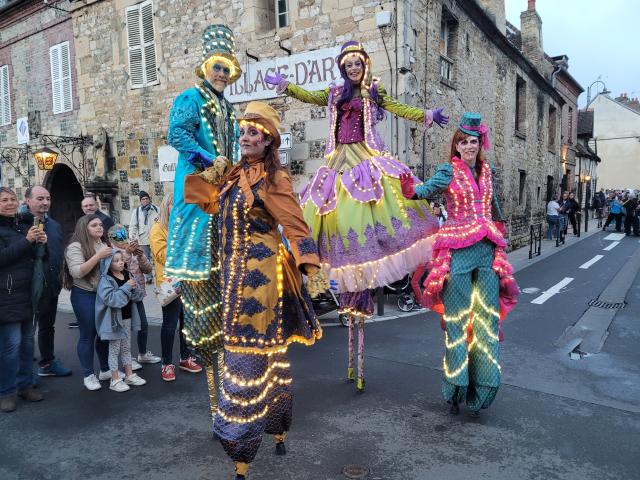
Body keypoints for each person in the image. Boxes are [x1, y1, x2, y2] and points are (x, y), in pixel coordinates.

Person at [265, 40, 445, 391]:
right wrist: (287, 87)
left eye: (357, 63)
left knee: (370, 209)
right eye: (347, 63)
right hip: (336, 163)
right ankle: (344, 294)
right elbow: (310, 97)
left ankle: (361, 296)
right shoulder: (333, 95)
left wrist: (424, 114)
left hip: (365, 159)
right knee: (331, 214)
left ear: (364, 65)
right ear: (342, 67)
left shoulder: (373, 93)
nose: (353, 68)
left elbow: (397, 107)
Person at [211, 101, 327, 480]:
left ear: (268, 140)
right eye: (243, 132)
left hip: (260, 286)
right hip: (231, 278)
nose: (245, 138)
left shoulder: (275, 179)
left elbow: (294, 223)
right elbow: (203, 208)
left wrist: (310, 265)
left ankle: (240, 444)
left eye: (253, 133)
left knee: (247, 363)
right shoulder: (230, 176)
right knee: (269, 362)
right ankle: (272, 427)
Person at [400, 112, 519, 417]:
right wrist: (411, 191)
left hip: (488, 250)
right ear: (456, 146)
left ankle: (484, 387)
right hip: (458, 250)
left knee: (487, 322)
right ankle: (455, 387)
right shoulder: (448, 171)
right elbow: (425, 191)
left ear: (481, 144)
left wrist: (500, 223)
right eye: (463, 142)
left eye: (474, 141)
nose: (469, 146)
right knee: (457, 322)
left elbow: (493, 204)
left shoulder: (487, 171)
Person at [165, 24, 241, 417]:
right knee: (202, 289)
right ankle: (215, 400)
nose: (222, 74)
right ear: (205, 66)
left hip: (226, 196)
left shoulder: (229, 109)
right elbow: (176, 134)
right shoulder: (190, 98)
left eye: (227, 68)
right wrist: (209, 161)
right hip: (199, 193)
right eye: (217, 67)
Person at [0, 187, 45, 412]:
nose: (10, 203)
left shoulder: (22, 224)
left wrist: (40, 243)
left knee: (27, 344)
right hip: (6, 296)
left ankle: (25, 385)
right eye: (4, 200)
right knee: (11, 346)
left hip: (28, 294)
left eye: (12, 199)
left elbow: (35, 257)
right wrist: (27, 241)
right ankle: (5, 392)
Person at [149, 193, 202, 382]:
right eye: (174, 204)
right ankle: (166, 363)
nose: (177, 208)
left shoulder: (183, 227)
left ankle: (185, 358)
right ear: (166, 206)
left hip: (186, 282)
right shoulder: (158, 228)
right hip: (169, 284)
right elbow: (162, 255)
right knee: (170, 325)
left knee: (186, 324)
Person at [23, 186, 72, 377]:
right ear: (28, 200)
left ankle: (47, 362)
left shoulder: (54, 225)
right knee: (25, 331)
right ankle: (24, 373)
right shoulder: (19, 223)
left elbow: (57, 254)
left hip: (51, 285)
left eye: (48, 198)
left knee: (47, 326)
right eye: (40, 198)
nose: (45, 202)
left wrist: (61, 278)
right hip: (26, 288)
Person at [62, 214, 112, 391]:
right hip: (84, 294)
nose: (100, 228)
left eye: (100, 225)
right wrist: (98, 256)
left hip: (102, 294)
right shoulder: (75, 247)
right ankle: (88, 374)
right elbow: (77, 272)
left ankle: (105, 370)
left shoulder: (102, 244)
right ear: (85, 228)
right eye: (94, 225)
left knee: (104, 333)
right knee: (88, 334)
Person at [107, 224, 160, 368]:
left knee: (143, 325)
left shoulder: (131, 250)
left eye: (124, 235)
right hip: (123, 295)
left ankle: (142, 354)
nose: (123, 240)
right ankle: (127, 359)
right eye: (119, 237)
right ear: (112, 240)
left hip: (137, 295)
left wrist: (141, 255)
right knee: (126, 329)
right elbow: (122, 269)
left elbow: (148, 269)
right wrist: (129, 254)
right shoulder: (113, 253)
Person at [95, 249, 147, 392]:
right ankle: (115, 379)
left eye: (121, 260)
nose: (120, 263)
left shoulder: (126, 274)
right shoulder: (106, 279)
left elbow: (137, 296)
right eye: (116, 261)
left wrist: (135, 288)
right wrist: (126, 287)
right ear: (107, 264)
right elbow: (111, 300)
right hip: (114, 321)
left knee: (126, 347)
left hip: (127, 317)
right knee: (114, 350)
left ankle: (129, 375)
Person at [129, 191, 158, 283]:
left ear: (149, 199)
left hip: (156, 238)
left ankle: (158, 276)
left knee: (157, 258)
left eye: (146, 198)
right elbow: (133, 226)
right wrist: (132, 236)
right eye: (143, 199)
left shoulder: (157, 209)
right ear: (140, 201)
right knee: (146, 259)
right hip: (143, 239)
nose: (145, 200)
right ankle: (149, 277)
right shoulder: (137, 211)